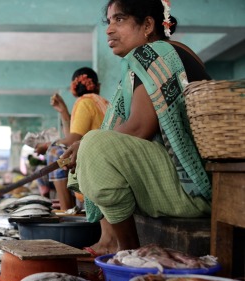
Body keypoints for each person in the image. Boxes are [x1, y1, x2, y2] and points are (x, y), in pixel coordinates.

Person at [62, 0, 212, 256]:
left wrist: (85, 144)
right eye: (108, 21)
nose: (109, 30)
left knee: (96, 146)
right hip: (189, 183)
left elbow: (139, 128)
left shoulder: (154, 53)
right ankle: (109, 238)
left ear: (148, 25)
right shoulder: (166, 54)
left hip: (193, 190)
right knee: (89, 147)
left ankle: (128, 252)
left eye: (119, 20)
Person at [41, 67, 109, 210]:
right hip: (105, 158)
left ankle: (67, 209)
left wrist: (47, 145)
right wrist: (63, 111)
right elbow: (73, 137)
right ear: (98, 86)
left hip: (96, 164)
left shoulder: (84, 102)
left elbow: (72, 140)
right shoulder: (102, 102)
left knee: (54, 152)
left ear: (73, 88)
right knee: (60, 150)